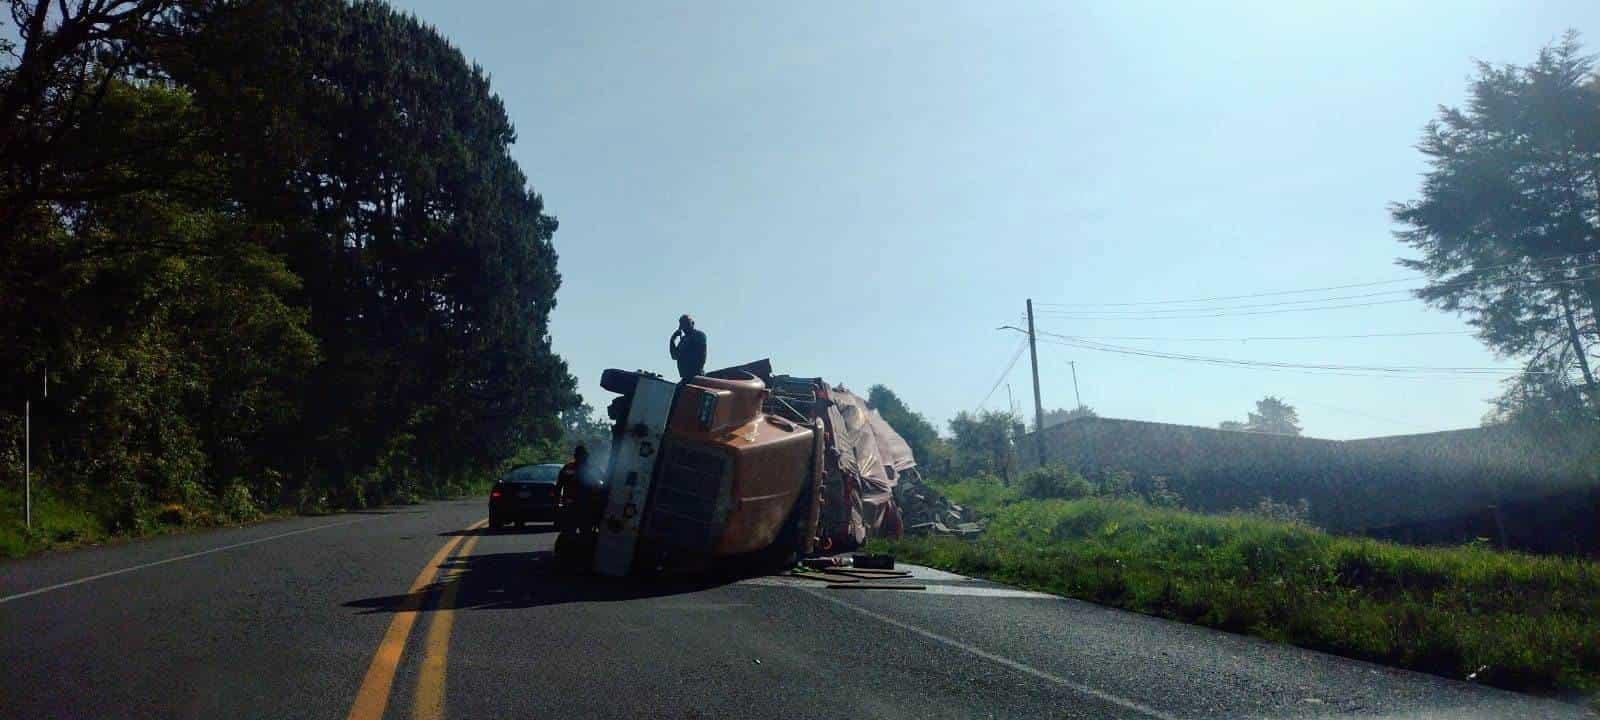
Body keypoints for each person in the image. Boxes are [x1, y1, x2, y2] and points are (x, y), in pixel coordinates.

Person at [668, 314, 707, 380]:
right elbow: (674, 356)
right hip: (685, 377)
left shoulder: (699, 335)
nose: (684, 326)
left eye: (686, 323)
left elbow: (702, 355)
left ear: (692, 323)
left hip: (696, 375)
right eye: (682, 324)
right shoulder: (683, 340)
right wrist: (672, 340)